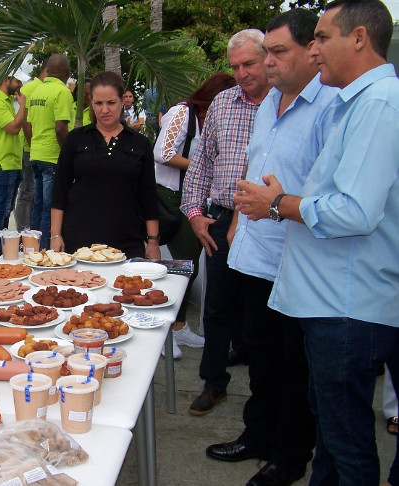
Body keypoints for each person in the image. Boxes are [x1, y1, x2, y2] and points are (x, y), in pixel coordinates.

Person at [235, 1, 399, 483]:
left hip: (347, 303)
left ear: (360, 38)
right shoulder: (358, 101)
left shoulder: (377, 104)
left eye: (322, 38)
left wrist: (279, 203)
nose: (316, 49)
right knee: (331, 440)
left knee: (346, 447)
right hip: (329, 300)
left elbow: (355, 211)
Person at [205, 10, 338, 486]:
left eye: (278, 53)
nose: (269, 64)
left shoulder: (331, 106)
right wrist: (238, 222)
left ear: (310, 51)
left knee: (292, 364)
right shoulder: (267, 105)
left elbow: (332, 196)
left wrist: (276, 206)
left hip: (297, 259)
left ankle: (289, 456)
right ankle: (258, 435)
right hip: (253, 253)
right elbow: (253, 168)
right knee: (260, 355)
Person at [180, 28, 270, 415]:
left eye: (249, 63)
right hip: (220, 218)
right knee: (217, 307)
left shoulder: (285, 103)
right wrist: (196, 215)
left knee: (263, 314)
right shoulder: (223, 102)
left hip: (267, 219)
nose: (242, 73)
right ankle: (213, 383)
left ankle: (267, 401)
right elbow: (200, 163)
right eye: (235, 66)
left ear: (268, 58)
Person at [153, 72, 235, 359]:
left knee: (189, 266)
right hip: (169, 196)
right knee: (179, 266)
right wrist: (202, 167)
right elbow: (161, 152)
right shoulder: (182, 113)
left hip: (194, 197)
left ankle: (178, 326)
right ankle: (166, 330)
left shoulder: (211, 121)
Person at [50, 71, 161, 260]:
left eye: (111, 103)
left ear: (122, 101)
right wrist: (55, 235)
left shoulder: (140, 143)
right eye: (98, 103)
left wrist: (152, 242)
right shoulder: (76, 139)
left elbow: (148, 196)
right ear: (91, 103)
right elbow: (60, 190)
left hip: (127, 242)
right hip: (79, 243)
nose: (104, 110)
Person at [26, 54, 73, 249]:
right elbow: (61, 128)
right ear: (67, 73)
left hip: (35, 154)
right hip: (52, 157)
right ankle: (45, 250)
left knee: (37, 206)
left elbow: (27, 126)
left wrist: (34, 146)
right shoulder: (62, 92)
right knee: (50, 208)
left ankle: (33, 247)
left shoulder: (37, 90)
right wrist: (68, 154)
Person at [0, 75, 26, 261]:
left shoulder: (7, 100)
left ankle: (2, 246)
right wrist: (23, 105)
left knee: (7, 208)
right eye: (17, 81)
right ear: (5, 80)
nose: (20, 85)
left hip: (12, 161)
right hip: (3, 163)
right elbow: (13, 128)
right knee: (1, 208)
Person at [15, 59, 49, 232]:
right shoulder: (29, 89)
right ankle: (23, 231)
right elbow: (24, 122)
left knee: (36, 193)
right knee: (27, 191)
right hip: (30, 147)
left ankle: (33, 231)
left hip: (40, 148)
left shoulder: (43, 89)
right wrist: (31, 144)